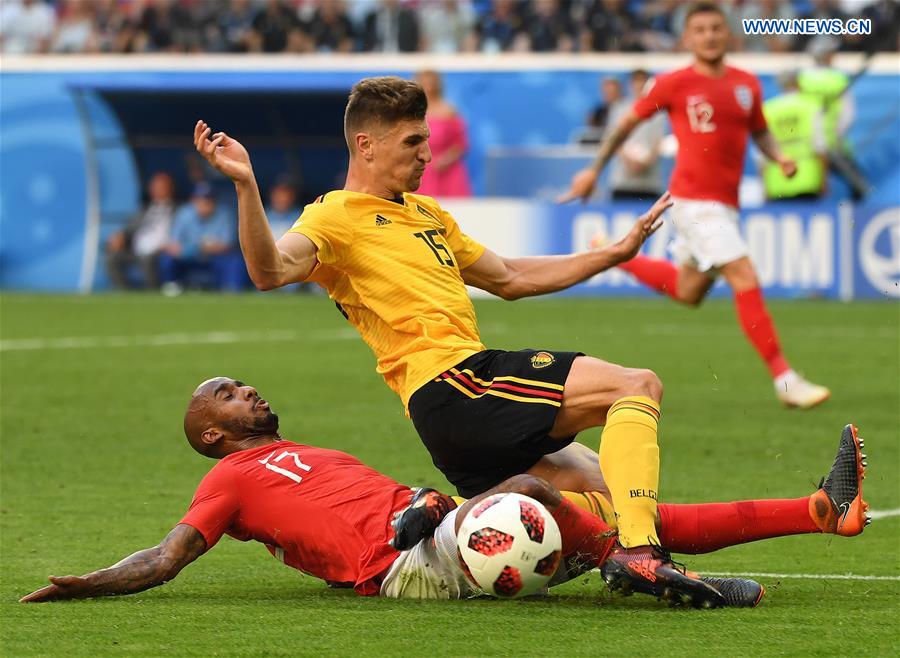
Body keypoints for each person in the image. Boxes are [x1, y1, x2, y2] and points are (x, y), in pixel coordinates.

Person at [191, 75, 721, 603]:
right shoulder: (333, 217)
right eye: (412, 142)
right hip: (455, 384)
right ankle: (640, 555)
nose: (427, 154)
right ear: (366, 145)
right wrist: (246, 185)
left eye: (426, 139)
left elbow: (509, 276)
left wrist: (613, 255)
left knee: (606, 487)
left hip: (456, 415)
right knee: (635, 385)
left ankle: (641, 551)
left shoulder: (427, 213)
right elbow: (269, 270)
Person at [19, 377, 870, 606]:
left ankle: (818, 514)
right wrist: (91, 583)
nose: (249, 392)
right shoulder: (226, 479)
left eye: (244, 385)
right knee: (542, 492)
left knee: (613, 508)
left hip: (436, 526)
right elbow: (168, 556)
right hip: (405, 565)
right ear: (213, 434)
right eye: (230, 396)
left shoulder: (300, 451)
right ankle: (637, 567)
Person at [560, 1, 830, 410]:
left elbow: (760, 131)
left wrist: (780, 158)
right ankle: (786, 379)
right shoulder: (673, 83)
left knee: (689, 291)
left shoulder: (746, 84)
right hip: (693, 202)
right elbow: (626, 125)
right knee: (743, 273)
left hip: (725, 205)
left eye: (715, 28)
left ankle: (612, 253)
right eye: (700, 30)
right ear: (687, 38)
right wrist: (594, 170)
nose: (709, 36)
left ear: (728, 33)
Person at [158, 182, 244, 293]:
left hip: (214, 258)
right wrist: (194, 248)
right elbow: (173, 244)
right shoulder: (184, 213)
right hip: (188, 256)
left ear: (214, 201)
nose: (204, 203)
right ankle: (171, 286)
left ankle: (229, 288)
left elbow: (226, 245)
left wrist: (197, 247)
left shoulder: (224, 214)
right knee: (168, 258)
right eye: (200, 200)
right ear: (193, 200)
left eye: (208, 200)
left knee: (234, 259)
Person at [105, 171, 177, 290]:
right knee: (112, 259)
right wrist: (120, 236)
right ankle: (125, 293)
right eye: (154, 187)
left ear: (170, 188)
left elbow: (180, 232)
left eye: (161, 187)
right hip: (136, 250)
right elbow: (129, 229)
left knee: (147, 259)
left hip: (160, 251)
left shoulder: (178, 211)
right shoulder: (145, 210)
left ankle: (153, 292)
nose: (156, 190)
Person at [762, 71, 827, 201]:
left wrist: (765, 186)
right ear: (797, 82)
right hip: (808, 180)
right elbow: (820, 146)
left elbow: (761, 154)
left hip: (776, 181)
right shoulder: (812, 105)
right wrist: (823, 180)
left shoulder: (768, 108)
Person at [606, 69, 666, 201]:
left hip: (649, 183)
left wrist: (646, 162)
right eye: (636, 82)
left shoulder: (658, 111)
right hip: (623, 181)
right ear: (630, 84)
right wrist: (629, 161)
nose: (639, 85)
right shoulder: (619, 108)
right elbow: (613, 139)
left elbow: (660, 141)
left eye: (642, 82)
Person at [415, 70, 472, 198]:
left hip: (448, 173)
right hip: (421, 172)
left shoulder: (449, 111)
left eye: (431, 83)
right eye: (425, 83)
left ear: (438, 84)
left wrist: (445, 160)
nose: (428, 87)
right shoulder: (412, 112)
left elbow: (461, 144)